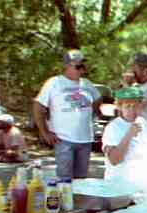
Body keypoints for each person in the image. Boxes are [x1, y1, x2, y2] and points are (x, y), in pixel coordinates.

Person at [34, 49, 101, 179]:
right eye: (78, 66)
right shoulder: (54, 83)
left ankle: (77, 199)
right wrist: (45, 132)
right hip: (64, 139)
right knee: (65, 180)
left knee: (81, 179)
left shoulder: (86, 83)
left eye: (84, 66)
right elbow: (38, 106)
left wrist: (91, 113)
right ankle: (65, 200)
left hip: (86, 139)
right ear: (67, 66)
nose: (82, 70)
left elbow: (98, 99)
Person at [101, 86, 147, 180]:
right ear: (119, 107)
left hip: (141, 183)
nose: (132, 110)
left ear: (141, 106)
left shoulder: (144, 123)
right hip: (120, 184)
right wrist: (129, 135)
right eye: (128, 106)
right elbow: (114, 160)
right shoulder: (113, 128)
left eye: (135, 106)